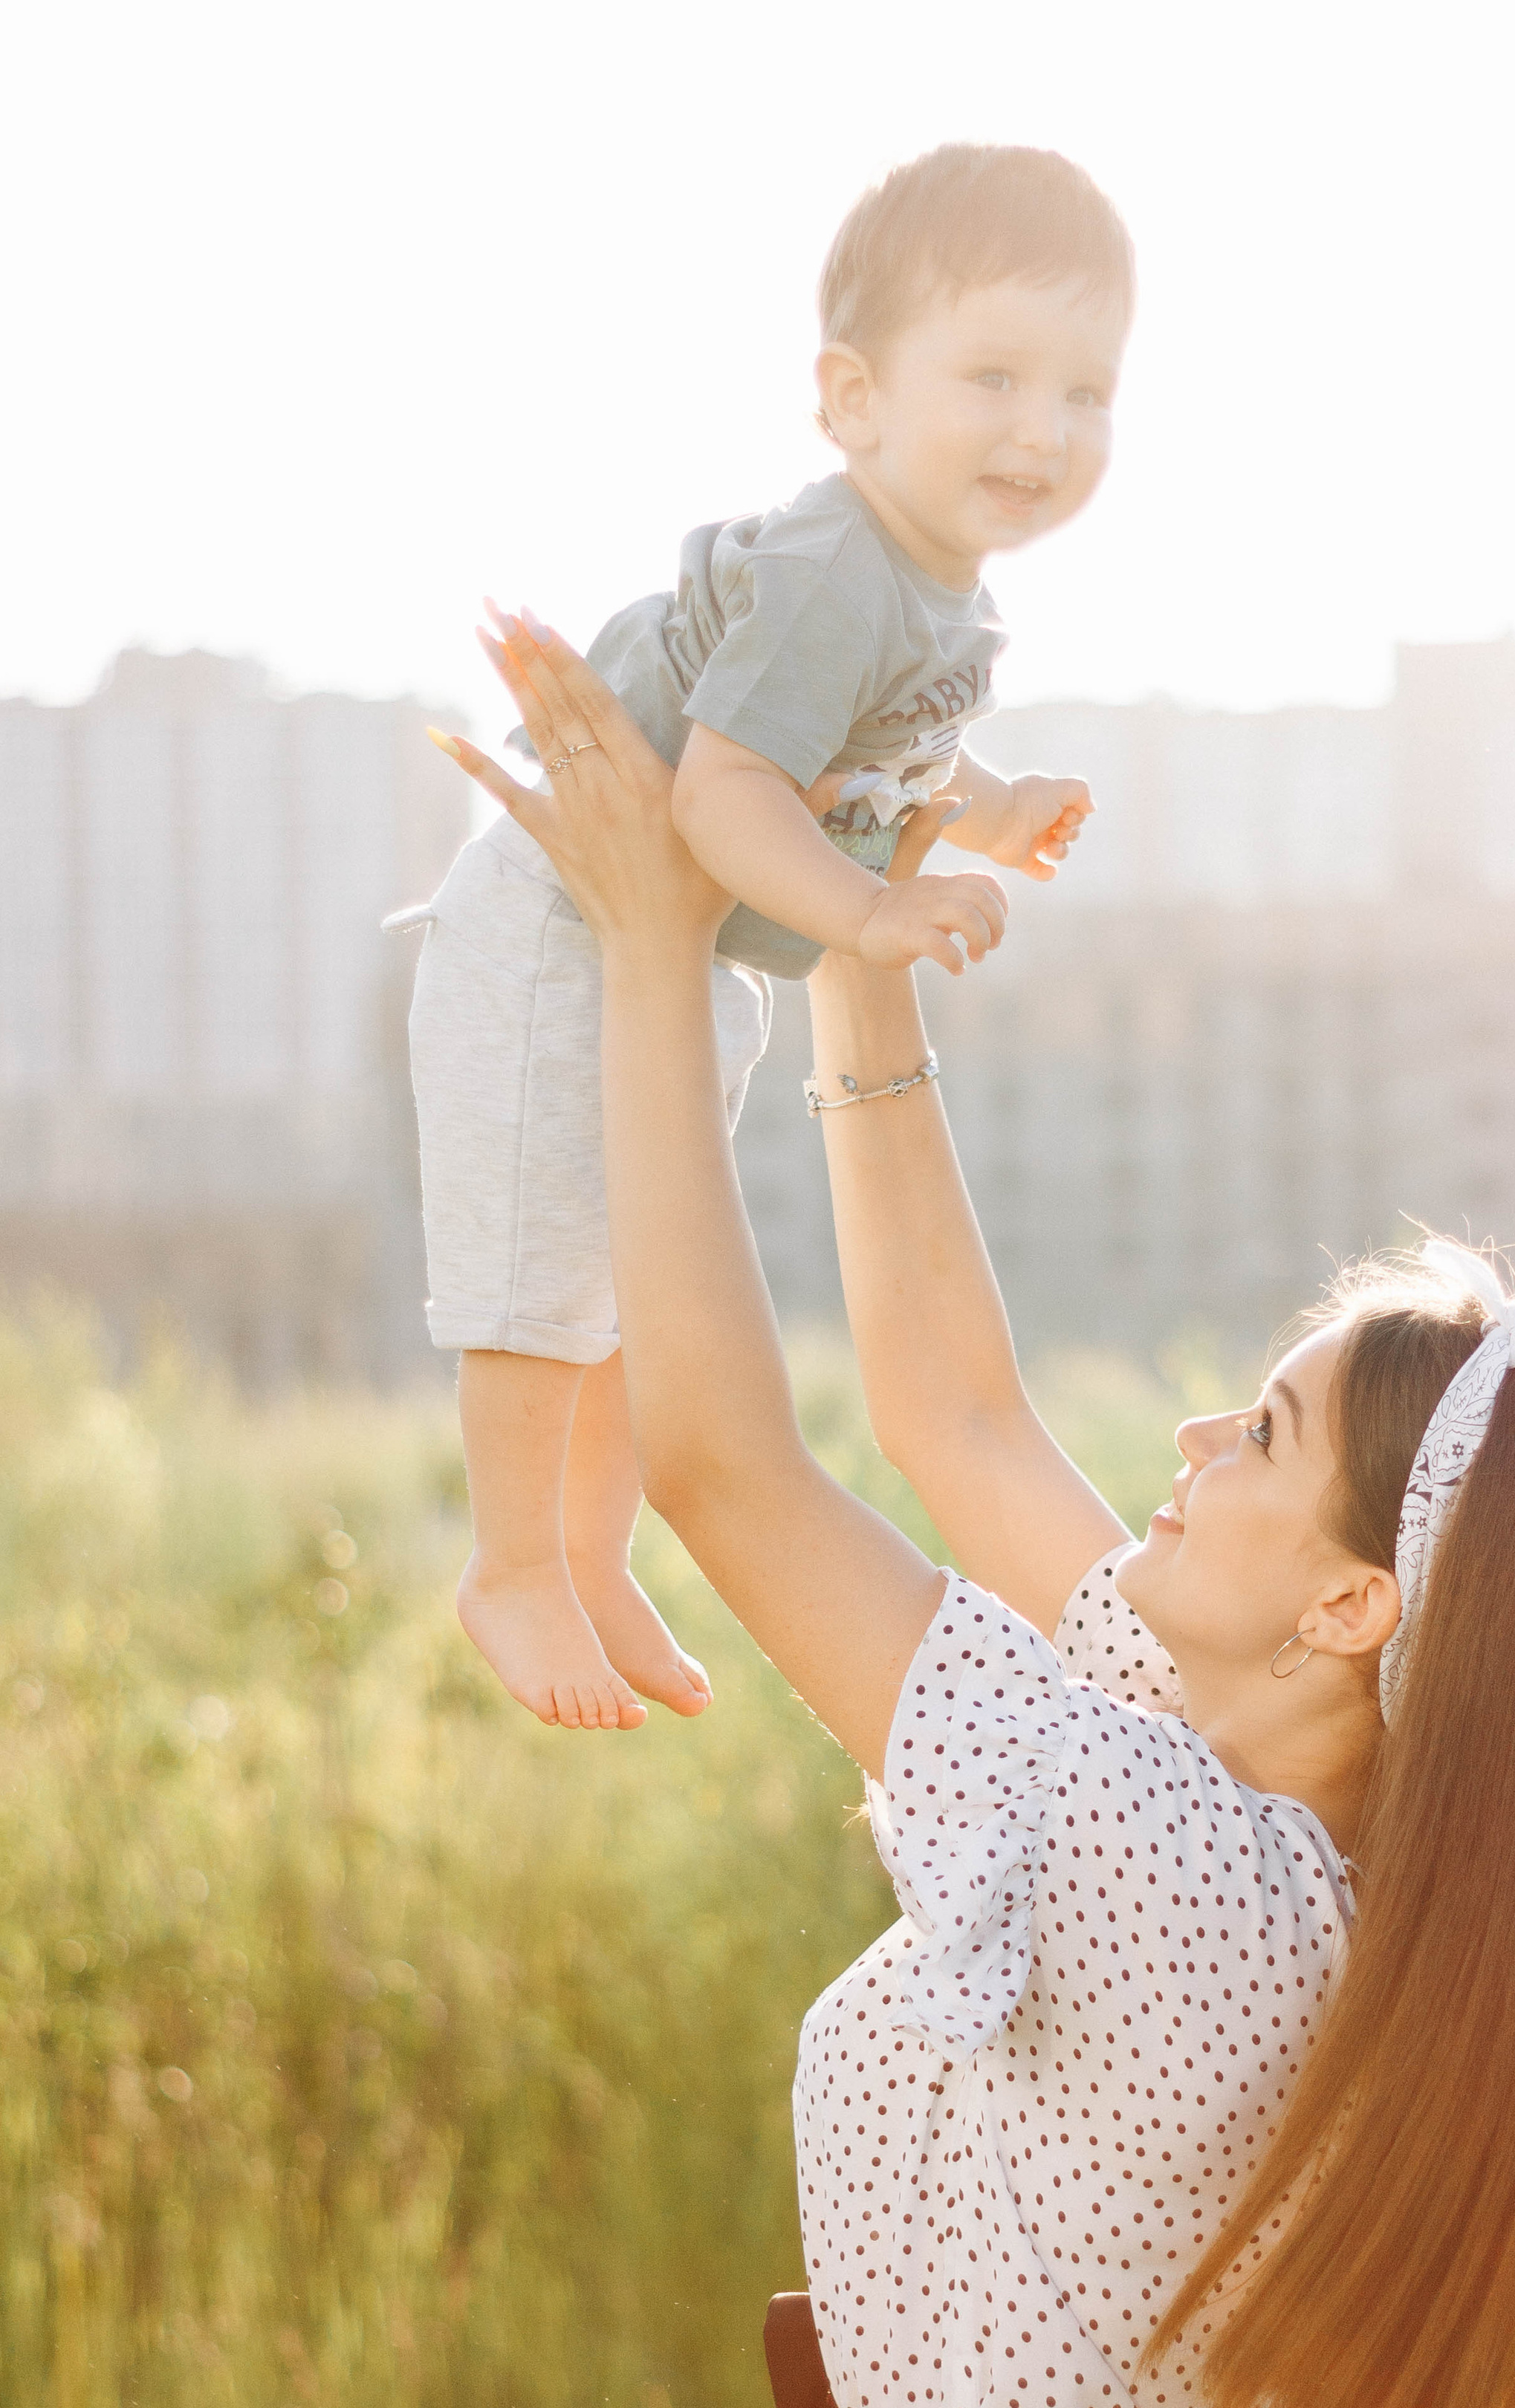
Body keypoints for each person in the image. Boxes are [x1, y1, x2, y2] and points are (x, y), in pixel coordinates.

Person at [427, 625, 1515, 2408]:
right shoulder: (1237, 1807)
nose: (1195, 1437)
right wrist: (857, 932)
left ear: (1352, 1607)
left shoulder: (1174, 1867)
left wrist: (660, 959)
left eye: (1265, 1428)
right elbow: (950, 1410)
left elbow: (736, 1471)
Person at [402, 143, 1130, 1736]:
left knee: (621, 1273)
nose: (1043, 427)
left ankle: (590, 1557)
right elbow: (729, 795)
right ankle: (514, 1559)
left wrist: (991, 812)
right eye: (994, 375)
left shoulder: (938, 594)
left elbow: (886, 759)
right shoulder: (830, 571)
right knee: (540, 1266)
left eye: (1085, 391)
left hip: (686, 949)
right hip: (555, 927)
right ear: (851, 401)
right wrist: (871, 909)